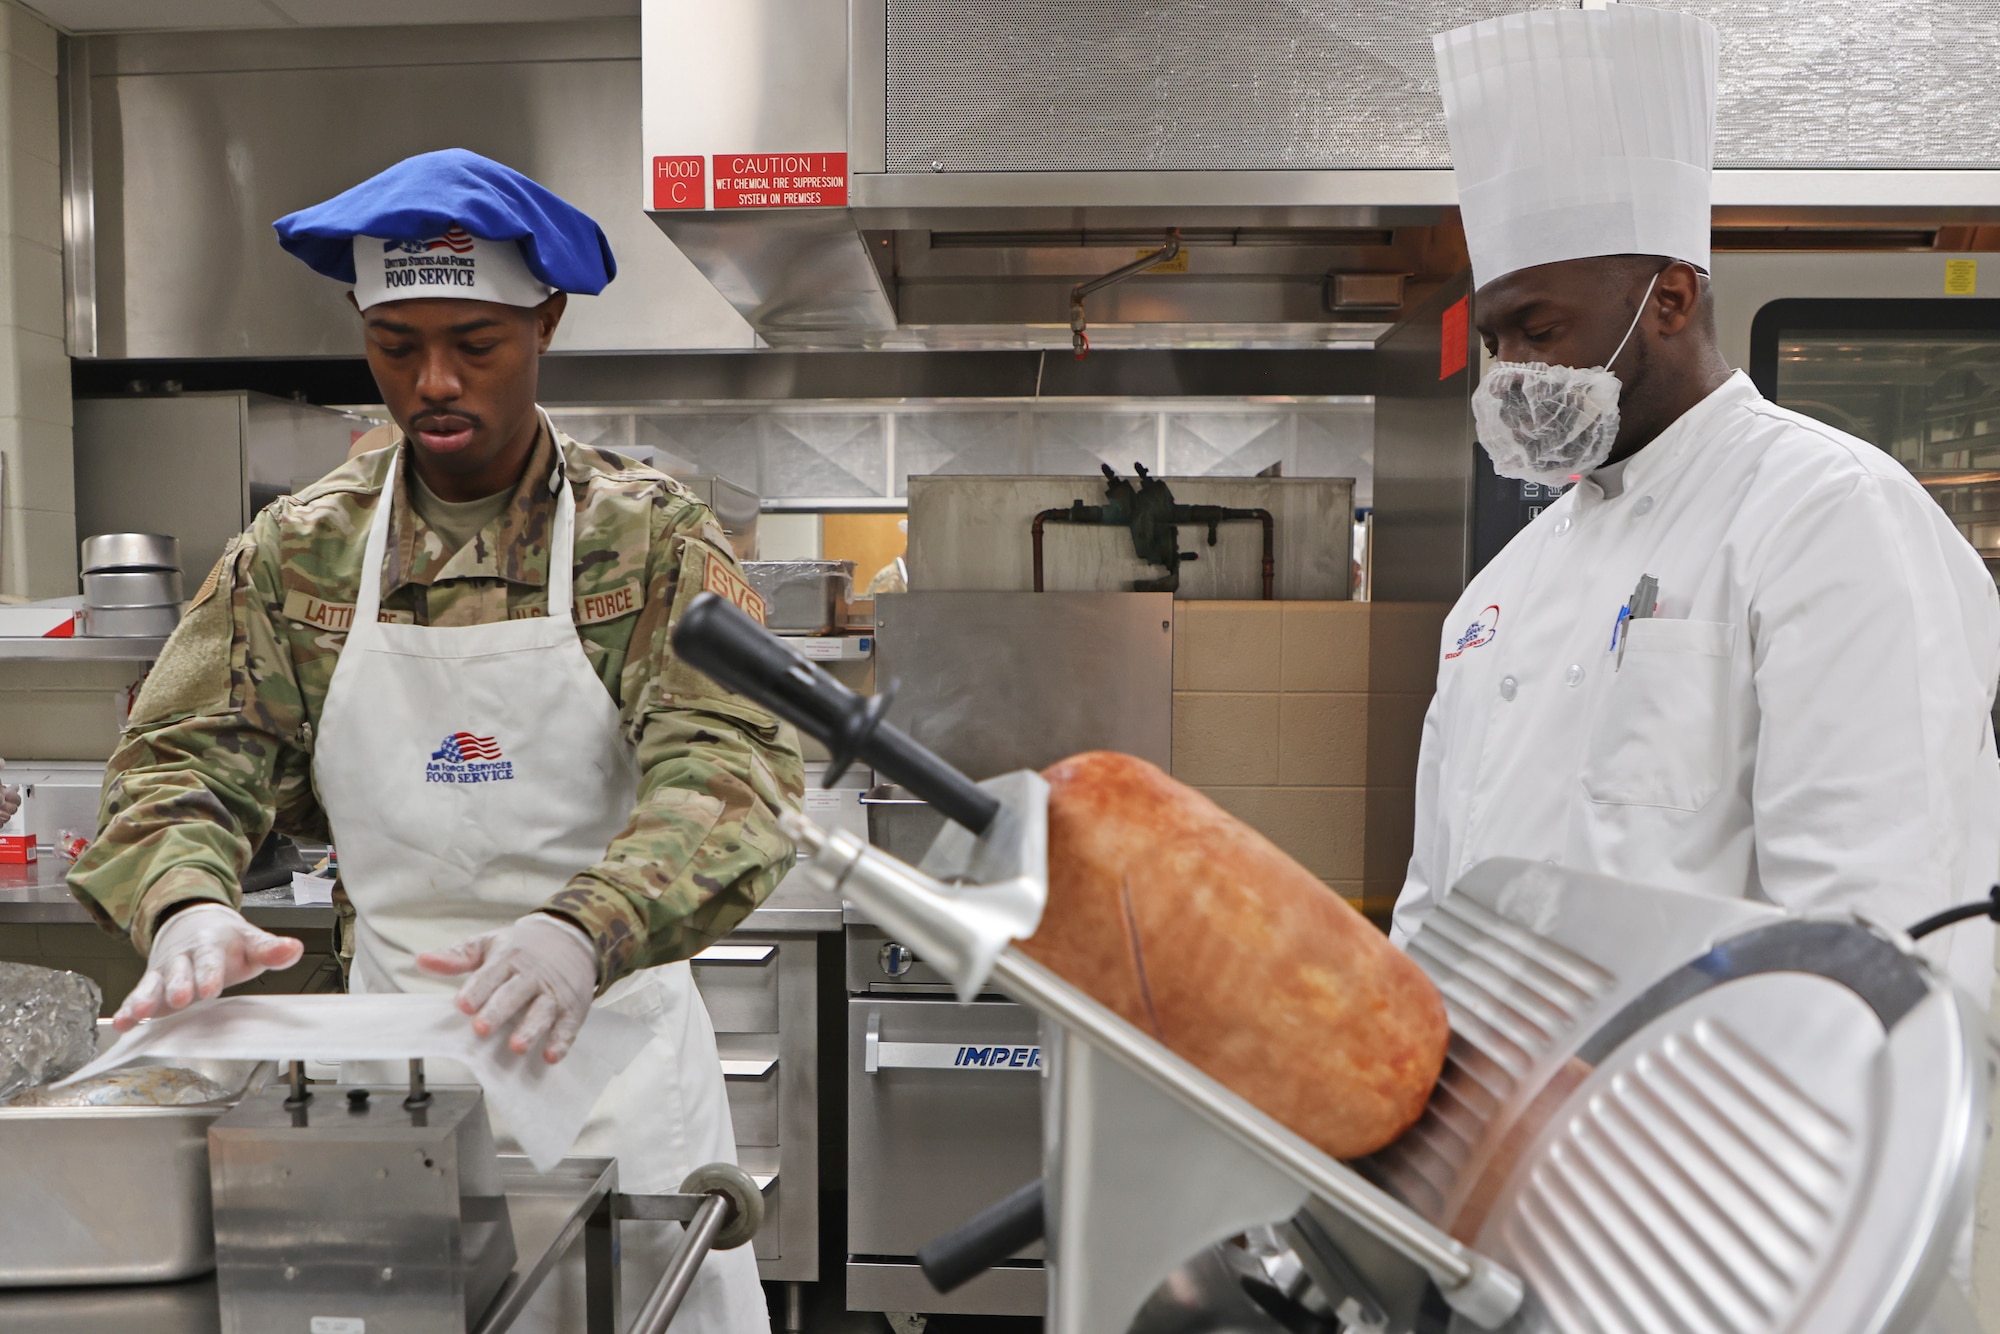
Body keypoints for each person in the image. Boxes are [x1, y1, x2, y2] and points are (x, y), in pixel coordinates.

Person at [66, 149, 802, 1333]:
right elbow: (179, 760)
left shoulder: (649, 541)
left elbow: (735, 775)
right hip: (388, 1098)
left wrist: (581, 929)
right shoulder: (298, 551)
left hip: (611, 1066)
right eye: (396, 347)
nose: (434, 382)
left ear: (545, 320)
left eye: (476, 342)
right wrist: (185, 901)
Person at [1391, 5, 2000, 1008]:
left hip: (1717, 1142)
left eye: (1537, 329)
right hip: (1505, 1142)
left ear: (1668, 298)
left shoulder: (1827, 516)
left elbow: (1874, 932)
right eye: (1496, 342)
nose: (1512, 372)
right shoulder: (1499, 592)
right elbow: (1432, 908)